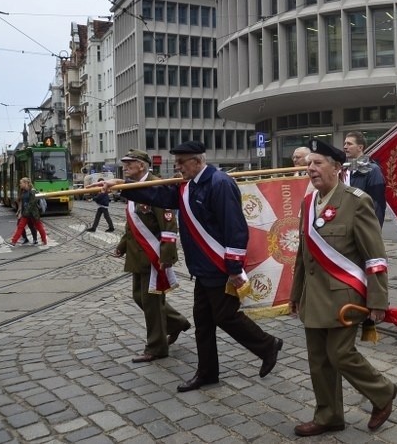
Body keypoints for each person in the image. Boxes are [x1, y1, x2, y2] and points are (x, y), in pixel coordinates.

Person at [101, 141, 283, 392]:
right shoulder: (187, 185)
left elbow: (236, 228)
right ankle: (207, 373)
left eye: (181, 162)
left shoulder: (219, 184)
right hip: (201, 268)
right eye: (176, 162)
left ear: (197, 161)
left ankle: (267, 345)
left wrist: (233, 267)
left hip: (218, 266)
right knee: (203, 323)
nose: (177, 167)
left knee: (226, 316)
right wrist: (123, 187)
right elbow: (159, 195)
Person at [290, 139, 397, 437]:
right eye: (309, 163)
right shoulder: (308, 202)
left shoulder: (356, 201)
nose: (311, 169)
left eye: (318, 163)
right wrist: (295, 294)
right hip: (314, 297)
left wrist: (378, 301)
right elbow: (303, 253)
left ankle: (383, 392)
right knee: (319, 361)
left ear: (337, 168)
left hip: (343, 297)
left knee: (340, 354)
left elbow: (375, 256)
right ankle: (328, 415)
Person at [114, 149, 191, 364]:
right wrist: (122, 246)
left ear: (142, 165)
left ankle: (156, 347)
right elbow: (133, 222)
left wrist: (166, 257)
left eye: (130, 163)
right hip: (138, 255)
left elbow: (168, 224)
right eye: (125, 163)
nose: (126, 166)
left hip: (153, 255)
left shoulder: (156, 185)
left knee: (152, 303)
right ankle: (177, 322)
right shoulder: (134, 186)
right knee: (140, 297)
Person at [343, 131, 386, 227]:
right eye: (345, 143)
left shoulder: (373, 170)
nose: (345, 147)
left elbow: (377, 203)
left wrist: (374, 229)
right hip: (347, 224)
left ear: (360, 147)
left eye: (349, 144)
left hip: (365, 225)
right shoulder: (345, 169)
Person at [9, 178, 48, 246]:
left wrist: (25, 213)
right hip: (26, 213)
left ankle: (44, 240)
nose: (20, 184)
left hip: (33, 213)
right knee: (20, 226)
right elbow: (22, 202)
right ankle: (14, 241)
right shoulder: (23, 191)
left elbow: (32, 203)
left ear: (26, 183)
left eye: (21, 183)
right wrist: (20, 212)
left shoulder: (33, 191)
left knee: (39, 226)